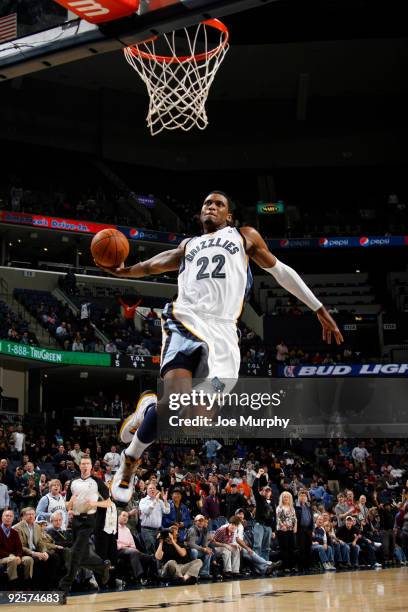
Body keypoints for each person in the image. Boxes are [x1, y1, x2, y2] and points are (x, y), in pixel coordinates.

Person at [100, 191, 343, 503]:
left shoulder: (244, 236)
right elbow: (150, 266)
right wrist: (123, 271)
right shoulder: (188, 245)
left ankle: (148, 408)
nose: (210, 207)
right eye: (205, 203)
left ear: (229, 215)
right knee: (175, 398)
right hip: (185, 321)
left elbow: (280, 271)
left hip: (223, 334)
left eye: (218, 204)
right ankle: (130, 459)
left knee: (194, 422)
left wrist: (318, 308)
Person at [57, 457, 111, 595]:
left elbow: (108, 503)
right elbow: (67, 505)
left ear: (91, 466)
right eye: (83, 464)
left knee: (75, 552)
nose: (85, 466)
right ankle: (102, 567)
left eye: (88, 463)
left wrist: (95, 504)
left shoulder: (97, 482)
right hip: (76, 520)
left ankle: (64, 586)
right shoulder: (73, 482)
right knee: (83, 555)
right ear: (79, 466)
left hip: (89, 520)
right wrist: (70, 504)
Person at [117, 510, 156, 584]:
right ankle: (140, 577)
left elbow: (133, 544)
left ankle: (153, 578)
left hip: (131, 550)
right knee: (134, 552)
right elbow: (114, 544)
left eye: (127, 517)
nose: (126, 518)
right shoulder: (114, 529)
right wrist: (126, 548)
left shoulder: (127, 529)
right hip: (120, 551)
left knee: (150, 558)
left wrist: (132, 548)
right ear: (118, 516)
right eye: (123, 515)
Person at [0, 509, 34, 586]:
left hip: (14, 556)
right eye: (6, 516)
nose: (8, 518)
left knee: (29, 559)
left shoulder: (14, 532)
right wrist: (10, 555)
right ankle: (13, 585)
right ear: (2, 518)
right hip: (2, 558)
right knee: (12, 559)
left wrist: (19, 556)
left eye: (10, 516)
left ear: (13, 519)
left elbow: (19, 548)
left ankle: (27, 584)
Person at [139, 483, 170, 554]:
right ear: (146, 490)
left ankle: (158, 564)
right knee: (150, 551)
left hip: (158, 530)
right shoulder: (143, 501)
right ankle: (151, 565)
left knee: (158, 550)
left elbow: (167, 511)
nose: (152, 489)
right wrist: (155, 500)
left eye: (154, 488)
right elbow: (147, 511)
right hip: (147, 530)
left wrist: (165, 500)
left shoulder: (160, 501)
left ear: (156, 491)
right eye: (150, 488)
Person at [252, 468, 276, 561]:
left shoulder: (273, 502)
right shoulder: (259, 499)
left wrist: (273, 529)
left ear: (271, 492)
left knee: (266, 548)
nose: (267, 492)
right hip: (259, 525)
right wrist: (258, 475)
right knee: (257, 545)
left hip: (269, 527)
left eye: (268, 490)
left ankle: (265, 566)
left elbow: (275, 516)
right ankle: (257, 564)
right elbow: (254, 488)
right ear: (262, 492)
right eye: (265, 490)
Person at [276, 491, 297, 571]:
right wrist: (283, 526)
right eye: (284, 497)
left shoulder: (292, 507)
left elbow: (295, 518)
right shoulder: (280, 507)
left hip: (290, 530)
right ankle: (285, 566)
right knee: (284, 549)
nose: (286, 498)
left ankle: (292, 566)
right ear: (282, 498)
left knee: (291, 548)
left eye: (287, 497)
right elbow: (279, 519)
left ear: (290, 498)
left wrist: (295, 526)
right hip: (282, 530)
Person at [295, 490, 314, 571]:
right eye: (301, 496)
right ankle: (300, 566)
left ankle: (308, 566)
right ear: (298, 497)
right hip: (300, 529)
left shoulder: (309, 506)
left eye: (304, 496)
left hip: (308, 530)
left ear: (307, 498)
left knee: (308, 548)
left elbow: (311, 519)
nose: (303, 497)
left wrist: (312, 530)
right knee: (301, 548)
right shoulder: (296, 506)